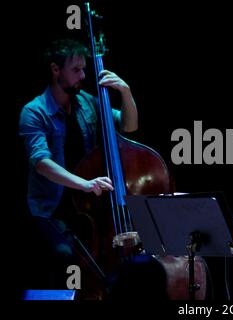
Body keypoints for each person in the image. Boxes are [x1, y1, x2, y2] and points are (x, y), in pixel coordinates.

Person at [18, 38, 165, 299]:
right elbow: (41, 163)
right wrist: (84, 184)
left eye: (84, 69)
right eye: (76, 70)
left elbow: (128, 127)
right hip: (52, 211)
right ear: (55, 70)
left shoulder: (87, 103)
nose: (84, 76)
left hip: (89, 207)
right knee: (65, 257)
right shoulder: (34, 111)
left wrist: (126, 92)